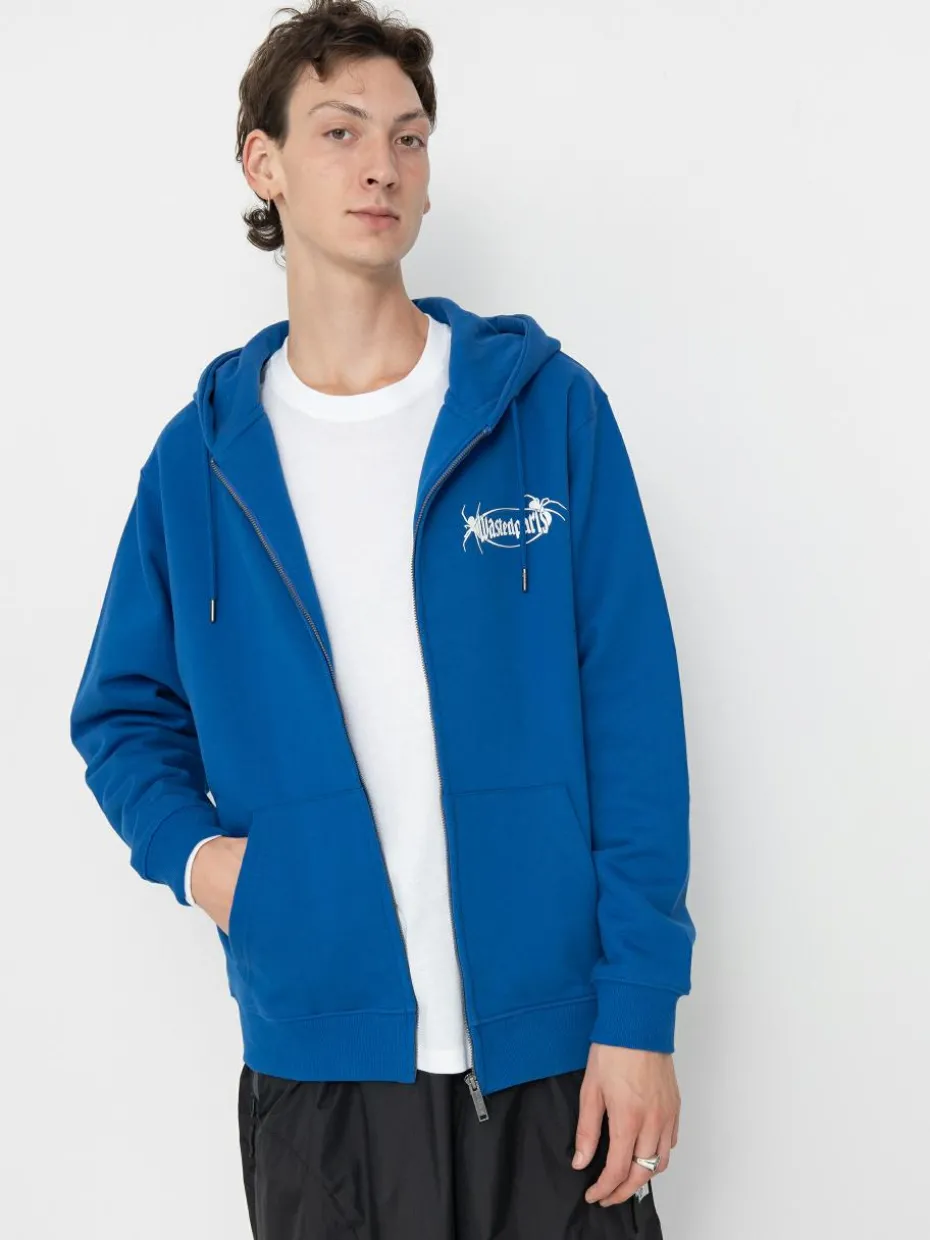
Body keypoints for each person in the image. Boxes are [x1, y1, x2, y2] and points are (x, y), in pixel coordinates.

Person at [68, 2, 696, 1236]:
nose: (382, 167)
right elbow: (122, 714)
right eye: (341, 131)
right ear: (264, 164)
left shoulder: (545, 414)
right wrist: (209, 865)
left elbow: (635, 725)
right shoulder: (200, 463)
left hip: (555, 1057)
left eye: (409, 137)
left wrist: (638, 1013)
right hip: (323, 1070)